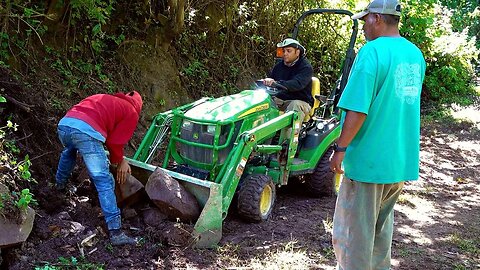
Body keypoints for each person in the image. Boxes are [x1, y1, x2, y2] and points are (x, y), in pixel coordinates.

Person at [329, 0, 426, 269]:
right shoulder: (414, 54)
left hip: (368, 162)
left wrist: (341, 148)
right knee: (380, 235)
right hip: (397, 161)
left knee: (354, 237)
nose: (363, 26)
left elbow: (358, 110)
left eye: (365, 20)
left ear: (378, 19)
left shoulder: (372, 52)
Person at [55, 91, 143, 246]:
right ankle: (116, 232)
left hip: (65, 125)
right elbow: (115, 142)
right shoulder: (131, 111)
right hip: (85, 132)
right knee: (104, 180)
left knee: (69, 152)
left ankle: (58, 189)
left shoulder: (108, 100)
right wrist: (120, 161)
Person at [262, 38, 314, 123]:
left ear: (297, 52)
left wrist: (277, 83)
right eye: (284, 51)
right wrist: (267, 82)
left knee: (295, 106)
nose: (285, 54)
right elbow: (272, 83)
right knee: (263, 103)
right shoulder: (278, 67)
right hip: (281, 99)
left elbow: (296, 84)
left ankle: (288, 136)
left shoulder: (306, 68)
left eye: (288, 51)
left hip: (300, 101)